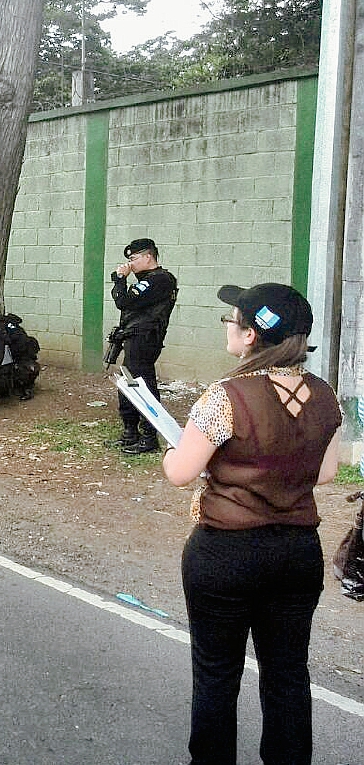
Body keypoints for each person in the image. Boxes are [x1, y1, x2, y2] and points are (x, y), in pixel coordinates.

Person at [162, 283, 340, 765]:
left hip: (226, 552)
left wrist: (171, 451)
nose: (228, 326)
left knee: (217, 674)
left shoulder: (225, 397)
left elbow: (181, 473)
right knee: (287, 675)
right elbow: (325, 473)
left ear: (251, 337)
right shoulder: (326, 396)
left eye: (232, 320)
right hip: (298, 552)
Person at [108, 237, 178, 454]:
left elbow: (123, 301)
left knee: (143, 386)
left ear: (149, 257)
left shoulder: (160, 279)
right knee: (128, 383)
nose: (131, 263)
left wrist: (121, 279)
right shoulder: (146, 280)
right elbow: (124, 302)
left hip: (145, 339)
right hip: (133, 337)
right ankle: (131, 432)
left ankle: (149, 436)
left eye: (134, 258)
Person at [0, 312, 41, 401]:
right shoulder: (13, 329)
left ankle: (24, 388)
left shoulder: (1, 327)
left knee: (26, 369)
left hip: (18, 358)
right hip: (11, 358)